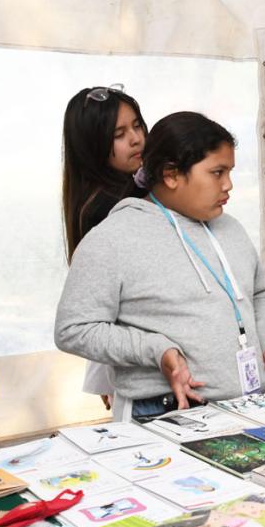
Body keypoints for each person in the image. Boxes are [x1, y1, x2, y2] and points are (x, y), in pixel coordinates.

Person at [55, 112, 265, 421]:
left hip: (247, 408)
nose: (228, 185)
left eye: (230, 172)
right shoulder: (112, 238)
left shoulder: (231, 229)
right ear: (171, 175)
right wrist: (155, 350)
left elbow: (259, 294)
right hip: (163, 415)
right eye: (217, 172)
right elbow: (73, 329)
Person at [61, 84, 148, 411]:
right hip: (137, 356)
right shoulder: (108, 208)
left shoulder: (128, 189)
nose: (136, 138)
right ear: (91, 145)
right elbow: (107, 301)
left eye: (137, 125)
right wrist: (105, 371)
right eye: (119, 134)